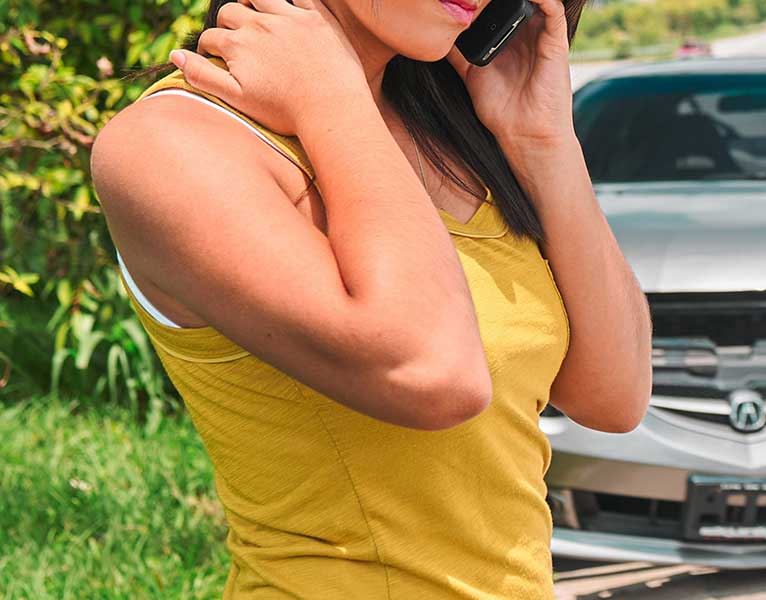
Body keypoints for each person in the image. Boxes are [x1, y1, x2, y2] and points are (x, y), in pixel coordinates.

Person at [89, 0, 651, 596]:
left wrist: (542, 142)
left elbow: (614, 396)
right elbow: (433, 373)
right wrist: (332, 98)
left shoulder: (444, 126)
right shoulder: (172, 143)